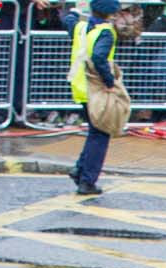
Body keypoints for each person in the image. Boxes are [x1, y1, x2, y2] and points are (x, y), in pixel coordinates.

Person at [64, 0, 120, 195]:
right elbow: (98, 57)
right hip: (95, 87)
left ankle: (79, 170)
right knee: (101, 133)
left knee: (94, 131)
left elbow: (68, 20)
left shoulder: (80, 27)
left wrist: (74, 10)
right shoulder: (106, 32)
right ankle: (87, 180)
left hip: (78, 85)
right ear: (112, 13)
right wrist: (109, 81)